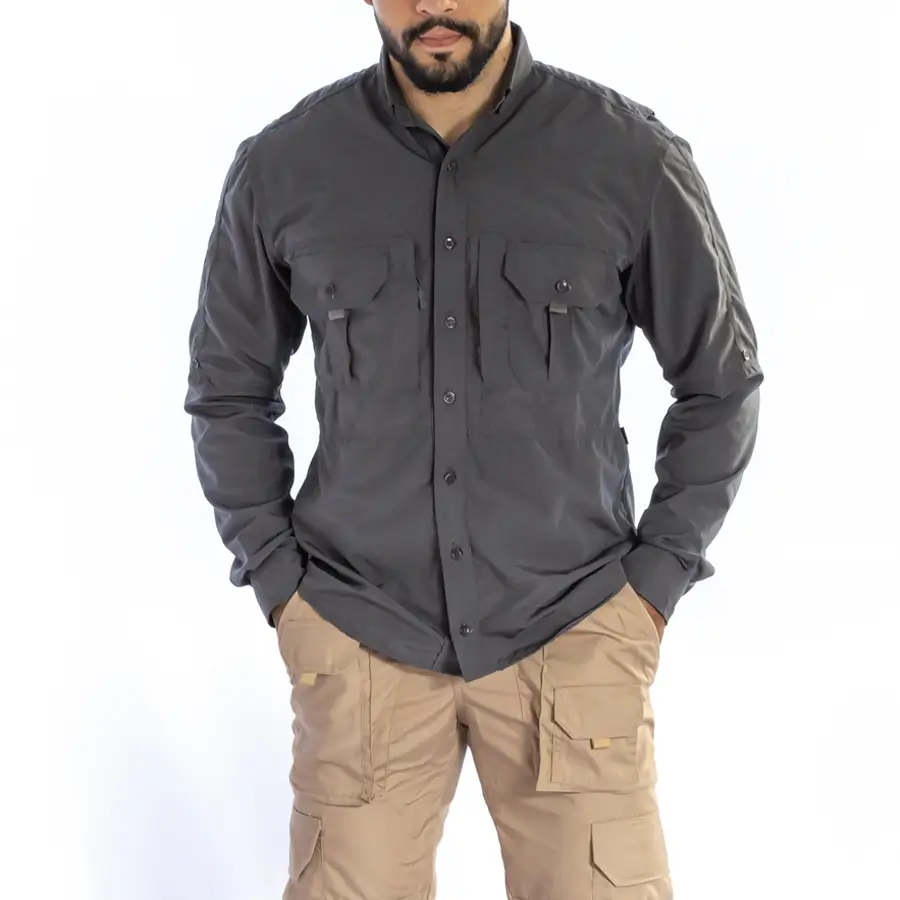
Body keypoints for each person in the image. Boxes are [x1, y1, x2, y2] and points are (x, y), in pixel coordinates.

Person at [184, 2, 764, 897]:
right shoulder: (285, 165)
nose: (433, 5)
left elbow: (721, 384)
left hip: (573, 631)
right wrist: (281, 584)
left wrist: (652, 586)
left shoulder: (631, 157)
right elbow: (228, 392)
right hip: (359, 631)